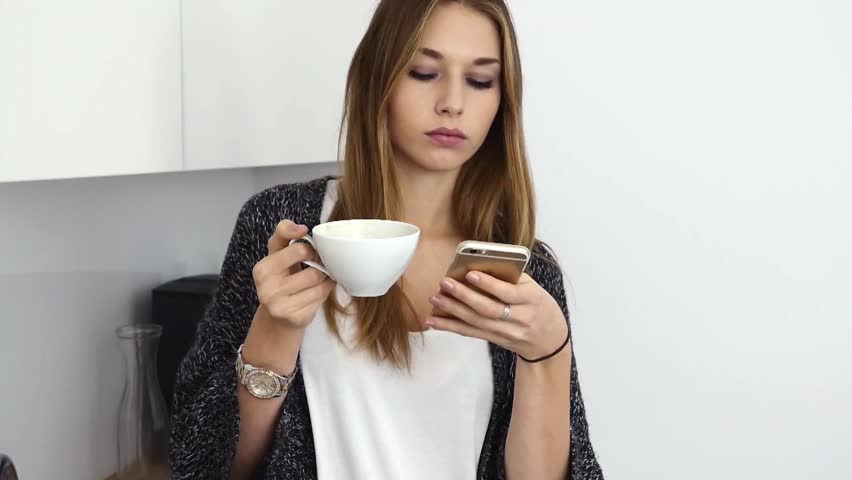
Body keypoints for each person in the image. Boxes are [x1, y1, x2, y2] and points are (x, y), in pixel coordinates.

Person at [169, 0, 604, 478]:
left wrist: (549, 352)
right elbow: (202, 465)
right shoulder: (282, 225)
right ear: (379, 77)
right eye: (423, 72)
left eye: (481, 80)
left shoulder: (526, 273)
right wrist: (275, 331)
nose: (453, 103)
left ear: (503, 100)